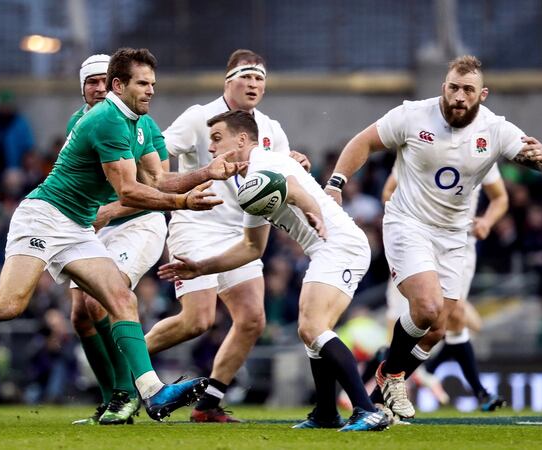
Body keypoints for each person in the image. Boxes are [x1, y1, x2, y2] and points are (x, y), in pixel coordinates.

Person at [0, 48, 247, 422]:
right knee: (9, 304)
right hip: (44, 217)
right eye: (142, 83)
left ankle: (151, 392)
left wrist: (206, 173)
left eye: (152, 83)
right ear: (119, 86)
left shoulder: (136, 122)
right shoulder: (107, 120)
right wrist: (182, 202)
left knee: (120, 298)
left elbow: (157, 179)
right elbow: (128, 191)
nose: (151, 90)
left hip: (77, 225)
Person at [324, 55, 542, 421]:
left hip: (454, 236)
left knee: (436, 330)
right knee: (427, 308)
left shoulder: (495, 129)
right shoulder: (412, 116)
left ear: (482, 94)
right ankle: (392, 376)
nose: (459, 96)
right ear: (443, 87)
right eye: (453, 88)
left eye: (468, 90)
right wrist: (336, 183)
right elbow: (363, 141)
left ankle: (383, 388)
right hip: (409, 223)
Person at [158, 110, 389, 431]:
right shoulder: (250, 184)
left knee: (312, 328)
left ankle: (367, 410)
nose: (210, 148)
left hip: (340, 245)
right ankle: (326, 413)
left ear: (242, 139)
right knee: (312, 330)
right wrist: (200, 268)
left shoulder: (265, 162)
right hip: (327, 248)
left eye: (217, 139)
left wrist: (313, 212)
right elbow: (251, 247)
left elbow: (294, 187)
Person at [145, 49, 309, 423]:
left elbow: (282, 178)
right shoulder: (198, 117)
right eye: (245, 76)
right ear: (227, 80)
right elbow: (155, 157)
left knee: (252, 320)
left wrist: (297, 165)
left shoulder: (271, 129)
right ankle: (125, 369)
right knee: (197, 320)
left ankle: (208, 405)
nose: (253, 84)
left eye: (259, 78)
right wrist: (180, 183)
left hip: (241, 231)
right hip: (196, 225)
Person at [67, 54, 171, 425]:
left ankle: (127, 394)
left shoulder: (143, 122)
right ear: (82, 88)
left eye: (102, 80)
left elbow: (160, 185)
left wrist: (110, 211)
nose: (97, 88)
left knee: (102, 301)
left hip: (139, 224)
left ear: (116, 84)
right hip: (95, 228)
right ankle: (111, 399)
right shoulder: (80, 123)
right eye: (90, 82)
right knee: (81, 316)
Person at [382, 164, 509, 412]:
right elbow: (388, 191)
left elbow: (500, 197)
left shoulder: (486, 149)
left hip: (461, 245)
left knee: (448, 321)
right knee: (437, 316)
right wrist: (405, 220)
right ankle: (378, 390)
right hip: (419, 239)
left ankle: (382, 391)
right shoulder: (419, 146)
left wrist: (487, 221)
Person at [0, 89, 35, 182]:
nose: (5, 108)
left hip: (14, 167)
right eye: (2, 105)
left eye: (7, 105)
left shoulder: (20, 122)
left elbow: (29, 146)